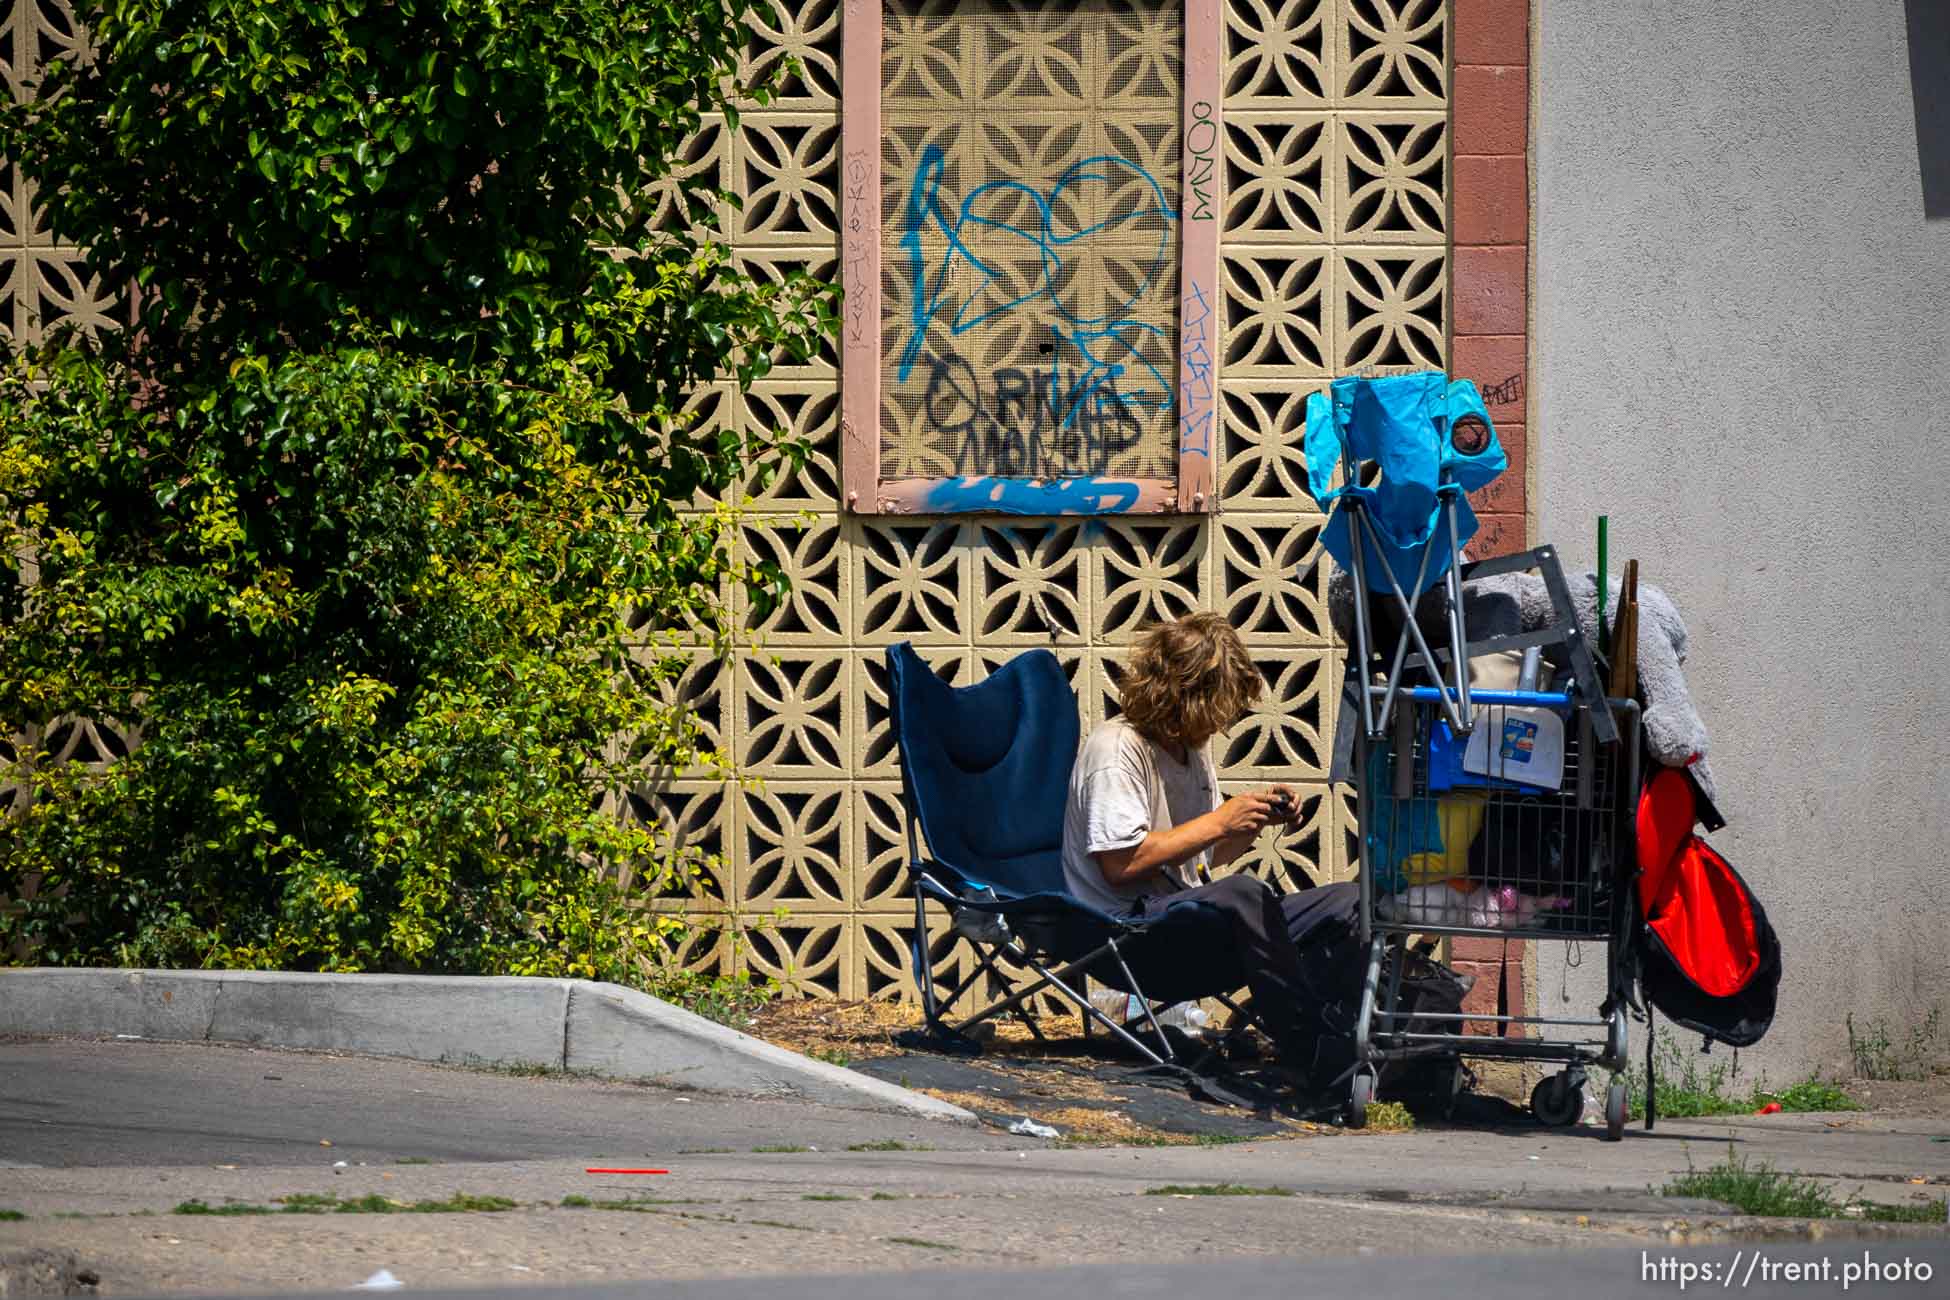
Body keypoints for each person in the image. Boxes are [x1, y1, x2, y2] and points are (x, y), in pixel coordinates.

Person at [1060, 611, 1361, 1079]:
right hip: (1128, 931)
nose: (1224, 721)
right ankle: (1308, 1046)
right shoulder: (1115, 749)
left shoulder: (1192, 750)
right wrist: (1220, 820)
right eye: (1220, 705)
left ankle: (1346, 1032)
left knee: (1350, 901)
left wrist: (1248, 824)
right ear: (1186, 694)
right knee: (1242, 893)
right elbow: (1120, 865)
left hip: (1183, 916)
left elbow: (1204, 855)